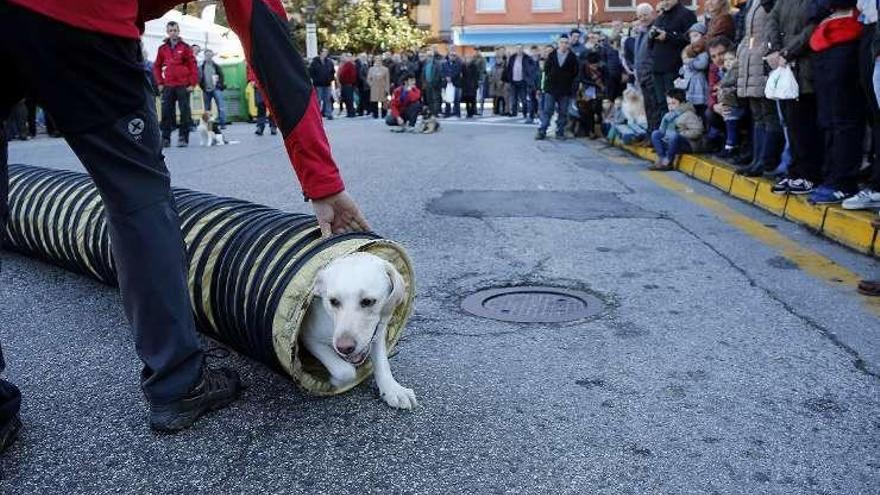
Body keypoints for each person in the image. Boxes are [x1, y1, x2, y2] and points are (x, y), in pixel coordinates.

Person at [0, 0, 370, 443]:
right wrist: (322, 181)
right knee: (138, 199)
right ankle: (178, 382)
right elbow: (269, 44)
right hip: (83, 20)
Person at [803, 0, 865, 203]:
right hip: (828, 40)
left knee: (844, 120)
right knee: (828, 120)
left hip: (846, 39)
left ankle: (844, 182)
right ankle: (831, 177)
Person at [765, 0, 823, 195]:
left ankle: (809, 175)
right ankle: (795, 171)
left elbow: (812, 27)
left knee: (805, 126)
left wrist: (788, 52)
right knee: (793, 125)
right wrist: (775, 51)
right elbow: (772, 19)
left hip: (806, 70)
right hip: (786, 68)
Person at [734, 0, 784, 177]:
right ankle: (756, 160)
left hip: (762, 61)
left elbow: (773, 27)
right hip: (751, 61)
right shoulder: (751, 3)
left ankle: (766, 160)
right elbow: (748, 35)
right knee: (758, 116)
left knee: (769, 115)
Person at [648, 0, 697, 117]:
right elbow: (651, 44)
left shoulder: (687, 14)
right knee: (661, 103)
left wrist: (668, 36)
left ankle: (676, 133)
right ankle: (664, 131)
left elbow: (691, 40)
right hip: (657, 68)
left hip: (674, 68)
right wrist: (651, 36)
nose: (665, 1)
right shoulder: (661, 17)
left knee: (676, 104)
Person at [154, 21, 198, 148]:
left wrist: (192, 83)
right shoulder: (162, 49)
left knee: (185, 111)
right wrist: (160, 82)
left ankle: (183, 137)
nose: (173, 33)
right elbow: (156, 66)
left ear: (178, 31)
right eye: (170, 30)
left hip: (183, 85)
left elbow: (192, 65)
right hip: (168, 85)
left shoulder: (185, 47)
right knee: (166, 111)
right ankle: (165, 138)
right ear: (167, 32)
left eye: (175, 30)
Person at [536, 35, 579, 140]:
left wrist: (573, 88)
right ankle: (542, 131)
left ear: (569, 44)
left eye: (566, 43)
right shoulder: (552, 55)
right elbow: (546, 71)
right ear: (558, 43)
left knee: (563, 112)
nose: (564, 45)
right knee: (548, 110)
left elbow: (576, 73)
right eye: (562, 42)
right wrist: (543, 87)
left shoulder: (572, 57)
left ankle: (560, 132)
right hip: (551, 89)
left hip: (565, 90)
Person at [650, 88, 704, 170]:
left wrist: (680, 133)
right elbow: (662, 131)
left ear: (681, 103)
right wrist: (664, 125)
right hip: (670, 141)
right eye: (669, 104)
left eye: (673, 103)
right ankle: (662, 158)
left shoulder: (688, 114)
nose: (671, 106)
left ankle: (669, 161)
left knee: (674, 136)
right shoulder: (668, 115)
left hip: (687, 144)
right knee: (655, 134)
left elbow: (698, 131)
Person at [634, 3, 661, 131]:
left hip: (651, 75)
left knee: (654, 106)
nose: (642, 18)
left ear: (652, 14)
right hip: (642, 76)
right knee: (648, 107)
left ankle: (654, 133)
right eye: (639, 16)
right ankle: (650, 132)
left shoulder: (655, 29)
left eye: (645, 15)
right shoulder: (641, 31)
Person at [677, 23, 709, 119]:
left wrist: (689, 62)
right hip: (691, 84)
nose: (693, 39)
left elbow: (702, 64)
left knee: (701, 107)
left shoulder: (703, 51)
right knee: (692, 107)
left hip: (699, 83)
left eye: (696, 35)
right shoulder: (689, 50)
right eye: (691, 37)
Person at [504, 45, 538, 123]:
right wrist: (509, 78)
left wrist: (528, 79)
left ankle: (525, 113)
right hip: (513, 80)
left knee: (523, 98)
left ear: (522, 49)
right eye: (517, 49)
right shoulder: (512, 57)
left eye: (520, 49)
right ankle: (514, 112)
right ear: (516, 49)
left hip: (523, 81)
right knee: (514, 98)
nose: (519, 50)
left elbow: (529, 69)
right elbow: (509, 68)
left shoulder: (527, 57)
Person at [199, 48, 227, 128]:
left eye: (210, 55)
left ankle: (222, 123)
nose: (208, 57)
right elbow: (199, 78)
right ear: (204, 56)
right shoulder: (201, 67)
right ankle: (208, 124)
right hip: (206, 89)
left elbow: (221, 76)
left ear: (212, 56)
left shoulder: (216, 66)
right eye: (207, 55)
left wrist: (219, 85)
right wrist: (202, 87)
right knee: (207, 108)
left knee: (221, 106)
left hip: (216, 89)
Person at [248, 65, 276, 136]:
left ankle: (273, 126)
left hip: (270, 84)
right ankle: (260, 127)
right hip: (259, 85)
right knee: (261, 107)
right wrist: (252, 79)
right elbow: (252, 66)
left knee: (272, 107)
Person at [309, 48, 336, 119]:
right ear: (320, 52)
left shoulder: (329, 62)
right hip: (318, 84)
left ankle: (328, 113)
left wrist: (331, 79)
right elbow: (311, 72)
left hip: (327, 83)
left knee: (328, 99)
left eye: (327, 52)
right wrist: (315, 80)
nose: (326, 53)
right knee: (318, 99)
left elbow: (332, 71)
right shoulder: (315, 62)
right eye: (324, 52)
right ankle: (317, 114)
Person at [420, 47, 443, 117]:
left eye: (430, 56)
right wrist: (424, 83)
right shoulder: (425, 64)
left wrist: (434, 83)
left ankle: (435, 113)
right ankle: (431, 112)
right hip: (427, 84)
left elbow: (438, 74)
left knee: (435, 99)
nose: (429, 57)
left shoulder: (437, 64)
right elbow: (423, 74)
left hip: (435, 84)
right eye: (428, 56)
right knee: (429, 99)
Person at [367, 55, 391, 119]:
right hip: (374, 87)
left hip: (383, 87)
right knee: (374, 101)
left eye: (379, 60)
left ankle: (384, 114)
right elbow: (368, 79)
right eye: (377, 60)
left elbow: (387, 80)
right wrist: (371, 85)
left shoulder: (385, 69)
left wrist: (387, 89)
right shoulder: (371, 69)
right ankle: (375, 114)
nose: (378, 61)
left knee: (384, 101)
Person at [441, 51, 463, 118]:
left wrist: (451, 78)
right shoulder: (444, 64)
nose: (452, 57)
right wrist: (446, 77)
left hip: (455, 83)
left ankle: (457, 113)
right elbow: (442, 72)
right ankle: (447, 113)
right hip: (447, 84)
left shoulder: (458, 64)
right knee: (447, 99)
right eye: (451, 55)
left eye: (454, 55)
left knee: (456, 99)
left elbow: (457, 72)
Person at [337, 54, 357, 118]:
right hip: (344, 84)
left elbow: (353, 75)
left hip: (348, 84)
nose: (343, 58)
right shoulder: (344, 65)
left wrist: (350, 82)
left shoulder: (350, 65)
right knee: (346, 99)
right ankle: (349, 112)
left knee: (349, 99)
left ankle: (351, 113)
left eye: (345, 57)